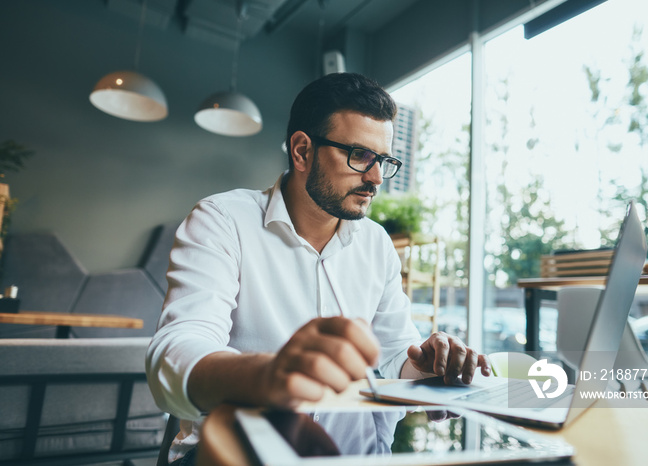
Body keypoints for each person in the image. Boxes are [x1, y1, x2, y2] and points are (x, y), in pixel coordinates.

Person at [146, 72, 490, 465]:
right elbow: (175, 353)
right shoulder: (223, 220)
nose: (376, 178)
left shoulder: (376, 244)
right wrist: (269, 375)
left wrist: (427, 365)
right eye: (360, 155)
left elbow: (396, 355)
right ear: (302, 151)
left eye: (384, 161)